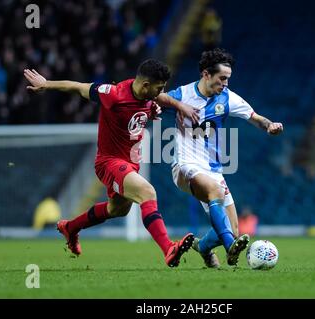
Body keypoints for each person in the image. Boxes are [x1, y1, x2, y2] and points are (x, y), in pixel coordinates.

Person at [23, 59, 200, 267]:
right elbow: (79, 87)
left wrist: (177, 106)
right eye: (159, 88)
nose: (161, 93)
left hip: (129, 163)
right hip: (109, 162)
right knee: (147, 192)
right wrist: (47, 84)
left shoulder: (146, 96)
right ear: (145, 85)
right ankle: (169, 248)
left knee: (117, 210)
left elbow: (157, 100)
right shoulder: (113, 94)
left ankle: (70, 228)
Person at [168, 48, 283, 268]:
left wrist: (269, 125)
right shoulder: (183, 94)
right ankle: (231, 246)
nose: (225, 84)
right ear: (205, 74)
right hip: (185, 166)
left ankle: (202, 247)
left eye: (228, 79)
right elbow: (157, 97)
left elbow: (254, 117)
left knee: (232, 227)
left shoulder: (227, 98)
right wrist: (177, 105)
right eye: (222, 78)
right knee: (217, 195)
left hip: (213, 169)